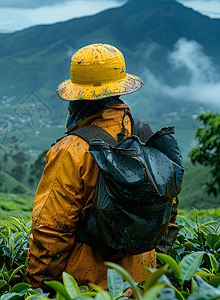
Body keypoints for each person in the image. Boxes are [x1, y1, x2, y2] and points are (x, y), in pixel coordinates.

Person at [25, 43, 178, 290]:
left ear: (76, 96)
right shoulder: (145, 135)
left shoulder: (71, 150)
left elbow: (52, 232)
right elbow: (168, 208)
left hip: (89, 287)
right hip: (143, 283)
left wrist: (36, 288)